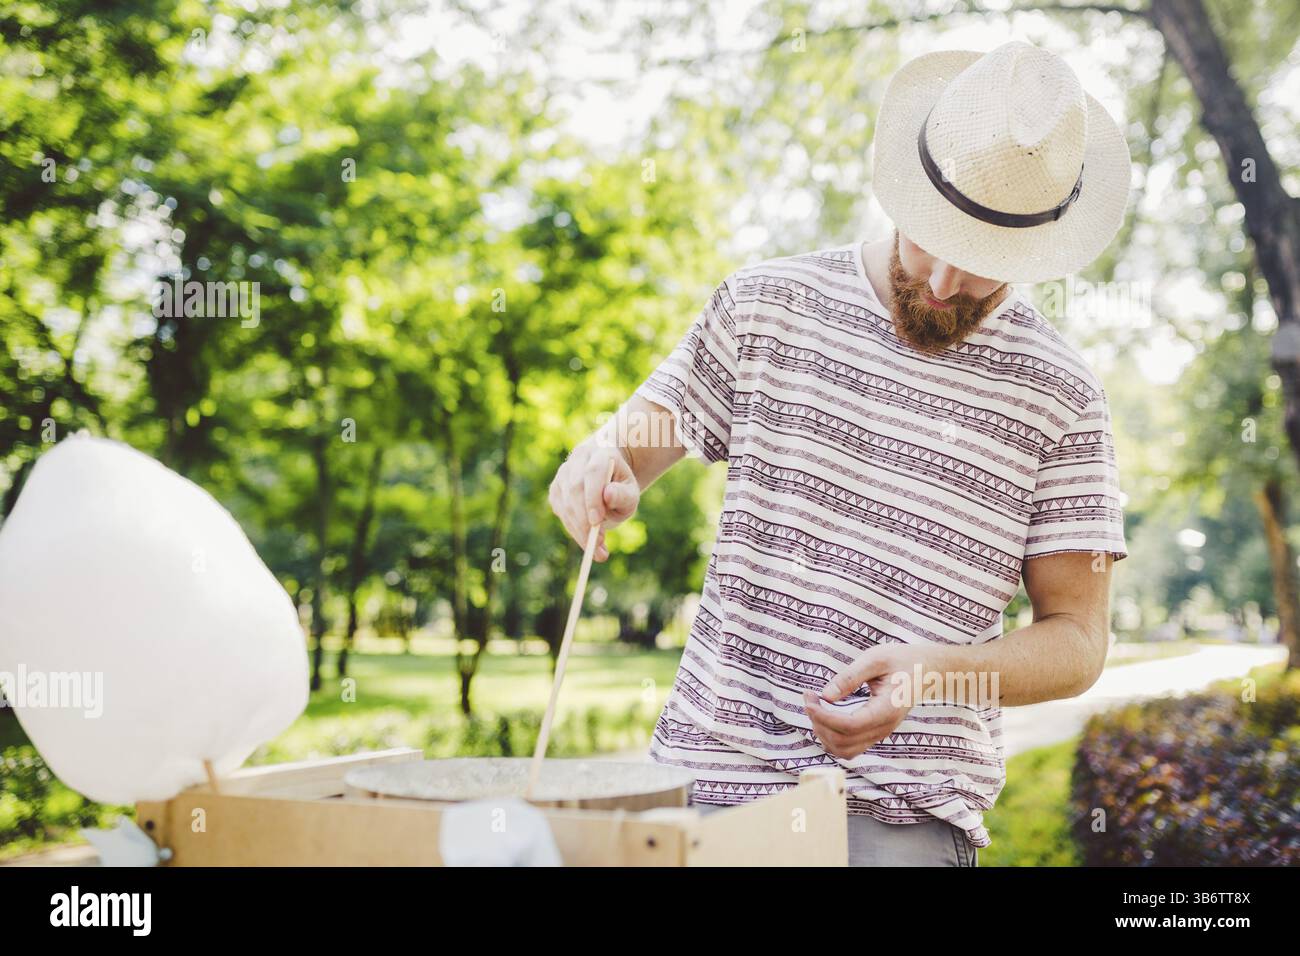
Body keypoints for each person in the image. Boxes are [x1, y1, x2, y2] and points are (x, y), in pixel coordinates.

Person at [548, 40, 1131, 866]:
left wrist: (937, 674)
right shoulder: (765, 304)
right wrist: (601, 459)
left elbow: (1078, 639)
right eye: (931, 236)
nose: (940, 283)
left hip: (903, 821)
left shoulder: (1063, 396)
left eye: (984, 263)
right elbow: (636, 441)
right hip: (705, 788)